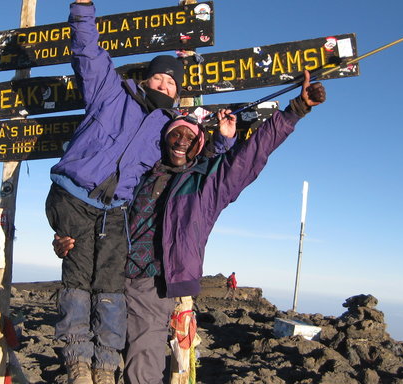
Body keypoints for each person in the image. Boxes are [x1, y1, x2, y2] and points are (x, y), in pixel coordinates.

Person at [55, 69, 327, 384]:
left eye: (189, 138)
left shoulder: (207, 187)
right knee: (96, 361)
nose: (181, 141)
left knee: (142, 363)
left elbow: (253, 154)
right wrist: (66, 238)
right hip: (107, 274)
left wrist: (296, 110)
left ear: (198, 146)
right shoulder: (138, 175)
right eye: (176, 134)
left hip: (151, 283)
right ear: (164, 138)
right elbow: (98, 213)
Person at [45, 0, 234, 383]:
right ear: (146, 78)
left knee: (111, 287)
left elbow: (194, 162)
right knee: (78, 283)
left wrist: (224, 140)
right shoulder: (111, 94)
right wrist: (82, 9)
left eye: (172, 83)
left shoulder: (171, 130)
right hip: (74, 196)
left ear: (178, 93)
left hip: (114, 211)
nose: (165, 85)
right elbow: (88, 55)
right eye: (160, 77)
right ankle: (79, 362)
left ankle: (105, 365)